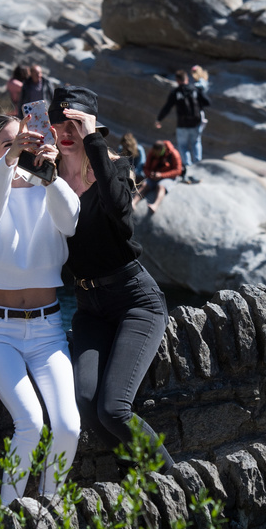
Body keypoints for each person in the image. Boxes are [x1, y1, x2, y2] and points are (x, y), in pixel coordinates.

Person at [48, 87, 174, 470]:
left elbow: (120, 215)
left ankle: (176, 487)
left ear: (93, 127)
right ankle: (135, 477)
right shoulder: (45, 177)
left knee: (114, 409)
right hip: (89, 308)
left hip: (135, 300)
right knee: (85, 403)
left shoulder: (114, 165)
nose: (67, 130)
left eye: (77, 122)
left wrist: (92, 142)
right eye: (59, 122)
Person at [0, 114, 80, 504]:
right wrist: (12, 159)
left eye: (27, 140)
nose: (22, 146)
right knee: (30, 423)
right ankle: (9, 515)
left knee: (67, 426)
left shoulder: (52, 190)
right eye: (10, 143)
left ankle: (50, 507)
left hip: (48, 331)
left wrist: (52, 175)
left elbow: (70, 220)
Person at [155, 70, 209, 183]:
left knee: (183, 147)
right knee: (196, 143)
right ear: (187, 79)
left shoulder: (175, 92)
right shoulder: (195, 89)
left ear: (177, 81)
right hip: (196, 123)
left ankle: (188, 168)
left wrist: (159, 119)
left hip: (182, 125)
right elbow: (207, 102)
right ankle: (197, 165)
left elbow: (167, 107)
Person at [140, 140, 181, 211]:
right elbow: (146, 168)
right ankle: (133, 202)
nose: (155, 154)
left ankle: (155, 205)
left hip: (168, 177)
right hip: (154, 177)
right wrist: (150, 174)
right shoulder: (152, 152)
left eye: (156, 153)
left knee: (161, 186)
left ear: (161, 150)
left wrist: (162, 175)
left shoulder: (173, 153)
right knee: (144, 185)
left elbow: (178, 171)